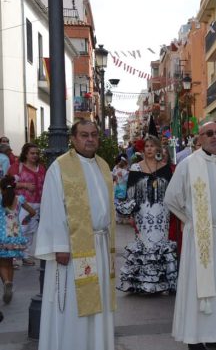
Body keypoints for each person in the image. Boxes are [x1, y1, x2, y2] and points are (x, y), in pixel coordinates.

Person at [164, 122, 216, 350]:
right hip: (199, 238)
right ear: (199, 138)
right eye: (209, 133)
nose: (214, 137)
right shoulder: (189, 165)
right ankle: (195, 337)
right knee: (197, 290)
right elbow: (171, 198)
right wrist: (191, 220)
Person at [35, 120, 116, 350]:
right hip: (73, 249)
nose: (90, 139)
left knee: (98, 303)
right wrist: (61, 245)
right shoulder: (60, 167)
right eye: (84, 135)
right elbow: (52, 208)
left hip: (100, 245)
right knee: (73, 307)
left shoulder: (103, 165)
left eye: (93, 135)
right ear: (73, 139)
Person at [117, 135, 177, 294]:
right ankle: (142, 283)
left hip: (162, 212)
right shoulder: (136, 167)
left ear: (158, 148)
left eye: (152, 146)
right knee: (145, 243)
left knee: (160, 244)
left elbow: (172, 192)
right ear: (143, 149)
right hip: (142, 212)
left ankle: (163, 282)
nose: (150, 149)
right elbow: (130, 192)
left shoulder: (165, 167)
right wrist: (130, 214)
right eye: (147, 146)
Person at [7, 142, 46, 265]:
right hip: (22, 204)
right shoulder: (17, 167)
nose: (35, 155)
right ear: (26, 154)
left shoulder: (42, 168)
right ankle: (12, 257)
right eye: (32, 153)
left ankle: (25, 255)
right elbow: (7, 184)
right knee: (19, 229)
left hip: (38, 204)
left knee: (30, 230)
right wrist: (25, 185)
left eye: (37, 153)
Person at [0, 175, 35, 304]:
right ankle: (10, 285)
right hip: (16, 236)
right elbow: (32, 212)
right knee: (9, 263)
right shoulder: (19, 199)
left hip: (2, 236)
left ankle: (6, 283)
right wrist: (26, 219)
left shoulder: (0, 199)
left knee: (2, 263)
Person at [111, 155, 129, 224]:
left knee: (118, 202)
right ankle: (121, 217)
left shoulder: (117, 169)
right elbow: (126, 179)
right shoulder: (125, 172)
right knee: (122, 202)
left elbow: (114, 176)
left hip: (117, 187)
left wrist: (117, 180)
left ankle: (118, 217)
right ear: (125, 165)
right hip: (123, 187)